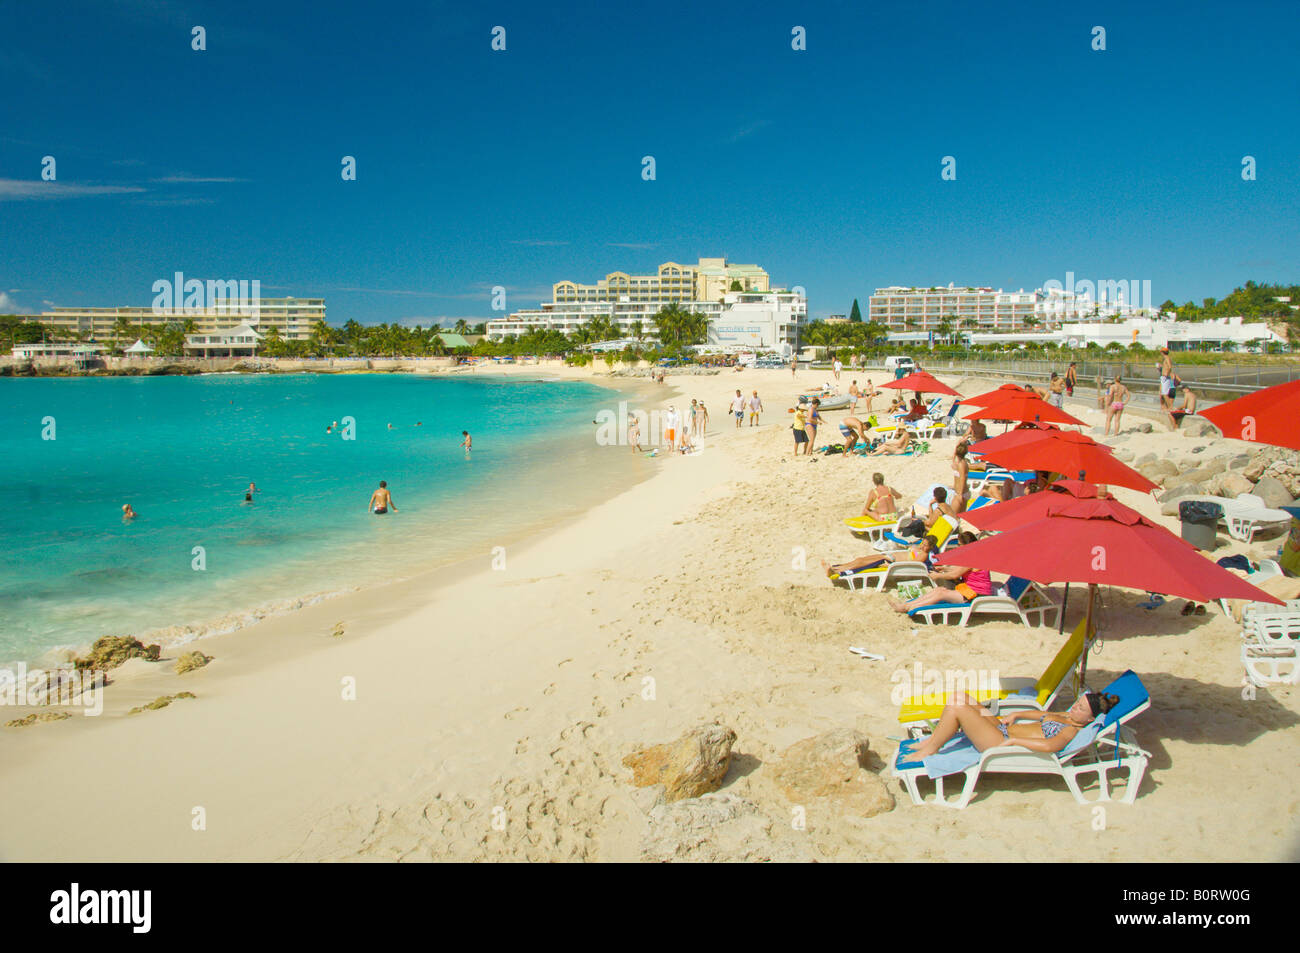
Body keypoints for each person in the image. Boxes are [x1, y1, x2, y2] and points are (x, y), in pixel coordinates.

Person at [899, 689, 1120, 762]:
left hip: (999, 740)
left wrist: (1015, 740)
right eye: (1078, 703)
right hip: (1000, 728)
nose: (1075, 708)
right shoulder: (1067, 716)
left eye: (1081, 709)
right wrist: (1017, 713)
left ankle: (931, 749)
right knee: (960, 696)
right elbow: (1042, 714)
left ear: (1091, 720)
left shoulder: (1071, 730)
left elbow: (1050, 746)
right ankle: (931, 740)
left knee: (958, 708)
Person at [887, 544, 992, 614]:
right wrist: (945, 568)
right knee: (939, 590)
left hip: (974, 595)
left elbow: (954, 575)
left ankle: (908, 607)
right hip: (969, 591)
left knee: (941, 594)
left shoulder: (972, 560)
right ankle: (907, 604)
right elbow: (958, 569)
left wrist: (938, 576)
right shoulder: (976, 559)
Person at [823, 534, 936, 577]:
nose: (922, 546)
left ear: (930, 547)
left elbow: (911, 564)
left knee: (862, 564)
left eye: (925, 545)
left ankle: (837, 572)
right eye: (923, 543)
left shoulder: (924, 555)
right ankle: (834, 567)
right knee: (860, 559)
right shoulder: (920, 549)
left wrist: (890, 566)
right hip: (888, 556)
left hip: (890, 562)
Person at [952, 442, 970, 511]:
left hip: (961, 493)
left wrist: (960, 494)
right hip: (959, 492)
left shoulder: (961, 464)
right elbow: (953, 458)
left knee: (953, 516)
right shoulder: (959, 462)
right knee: (958, 516)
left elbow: (963, 478)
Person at [1158, 348, 1175, 413]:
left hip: (1165, 377)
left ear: (1163, 352)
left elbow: (1170, 367)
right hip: (1163, 377)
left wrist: (1166, 374)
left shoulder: (1167, 358)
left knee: (1164, 393)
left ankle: (1170, 407)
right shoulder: (1165, 359)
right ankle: (1167, 406)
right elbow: (1166, 366)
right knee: (1162, 393)